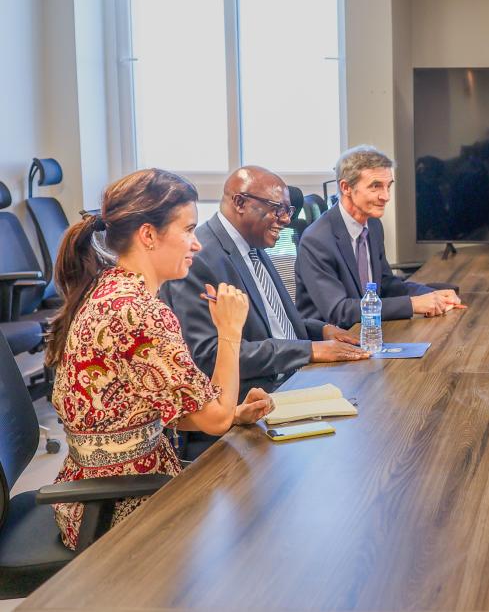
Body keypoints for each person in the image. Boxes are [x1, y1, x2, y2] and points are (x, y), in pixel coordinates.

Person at [45, 169, 272, 550]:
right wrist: (230, 331)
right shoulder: (138, 311)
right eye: (188, 230)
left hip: (98, 490)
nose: (197, 244)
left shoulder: (110, 287)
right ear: (148, 235)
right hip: (119, 507)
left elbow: (152, 403)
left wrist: (231, 412)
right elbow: (213, 420)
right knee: (256, 525)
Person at [162, 166, 367, 402]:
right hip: (254, 398)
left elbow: (269, 323)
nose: (287, 219)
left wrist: (320, 330)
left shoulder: (253, 243)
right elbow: (209, 355)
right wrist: (308, 350)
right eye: (277, 208)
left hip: (293, 377)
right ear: (240, 203)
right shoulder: (198, 259)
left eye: (287, 210)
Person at [296, 146, 461, 326]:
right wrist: (413, 304)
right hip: (334, 340)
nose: (386, 196)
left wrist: (431, 294)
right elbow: (339, 312)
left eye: (388, 186)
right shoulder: (316, 240)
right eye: (376, 186)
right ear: (346, 187)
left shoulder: (373, 225)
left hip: (369, 330)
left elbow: (386, 284)